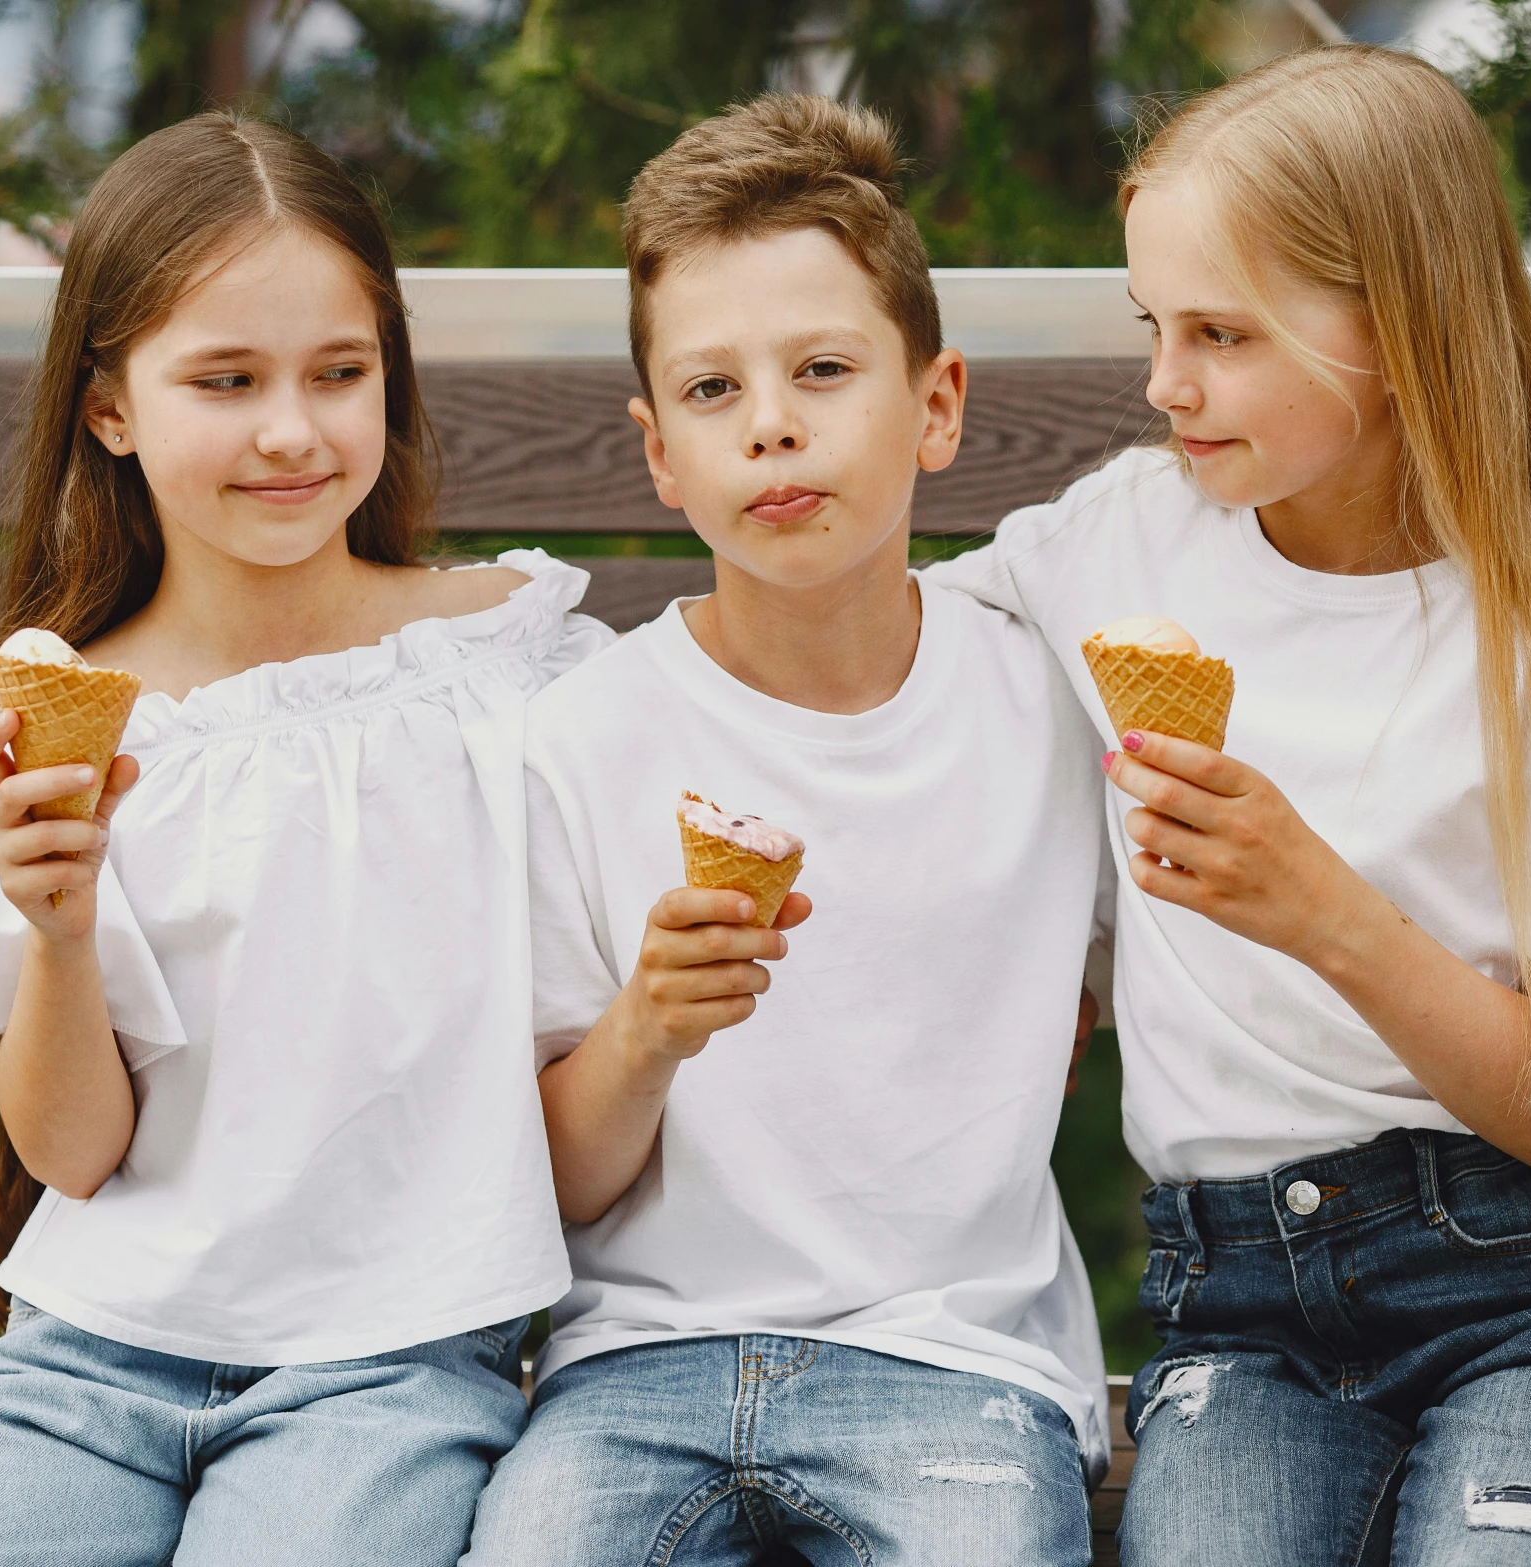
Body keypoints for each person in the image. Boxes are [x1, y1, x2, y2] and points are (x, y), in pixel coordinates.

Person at [928, 45, 1531, 1567]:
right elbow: (864, 665)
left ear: (1397, 324)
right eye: (1152, 325)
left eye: (1221, 333)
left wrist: (1320, 913)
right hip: (1234, 1314)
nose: (1163, 383)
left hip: (1521, 1287)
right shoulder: (1115, 543)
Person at [0, 113, 611, 1567]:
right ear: (109, 408)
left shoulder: (506, 676)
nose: (292, 429)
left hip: (389, 1368)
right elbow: (72, 1155)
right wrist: (59, 927)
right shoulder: (58, 723)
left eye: (340, 372)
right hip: (86, 1360)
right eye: (226, 379)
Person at [465, 95, 1111, 1567]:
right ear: (656, 453)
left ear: (934, 403)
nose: (769, 421)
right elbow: (545, 1187)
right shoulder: (582, 739)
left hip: (959, 1362)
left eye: (822, 369)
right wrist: (646, 1027)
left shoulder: (1045, 701)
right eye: (711, 391)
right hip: (632, 1367)